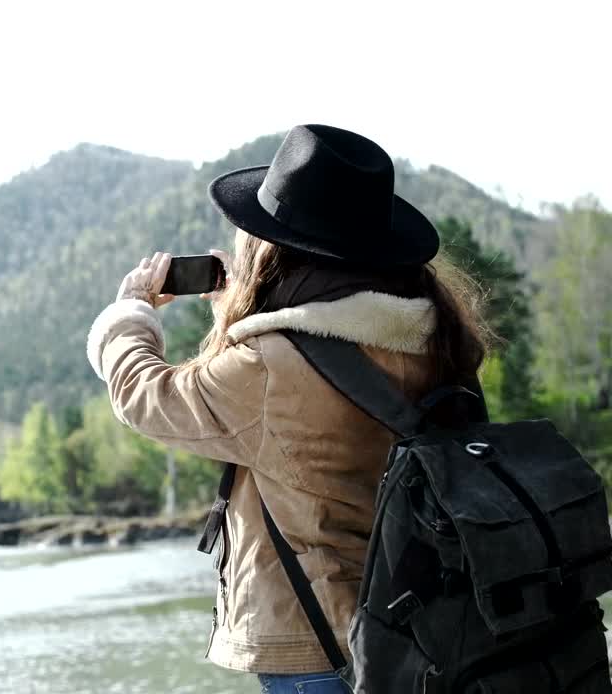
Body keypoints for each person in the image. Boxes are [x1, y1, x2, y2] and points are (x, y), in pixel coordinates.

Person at [85, 124, 490, 693]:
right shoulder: (441, 342)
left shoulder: (272, 365)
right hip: (436, 635)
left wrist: (130, 313)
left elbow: (146, 397)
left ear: (275, 251)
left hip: (324, 649)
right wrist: (245, 315)